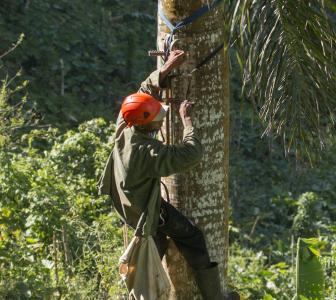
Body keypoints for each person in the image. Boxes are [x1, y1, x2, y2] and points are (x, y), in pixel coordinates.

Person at [98, 50, 238, 300]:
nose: (162, 120)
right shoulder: (146, 152)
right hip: (148, 211)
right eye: (158, 118)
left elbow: (143, 92)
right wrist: (187, 122)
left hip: (130, 204)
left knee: (155, 251)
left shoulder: (125, 124)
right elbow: (190, 154)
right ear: (147, 124)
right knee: (191, 236)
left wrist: (165, 69)